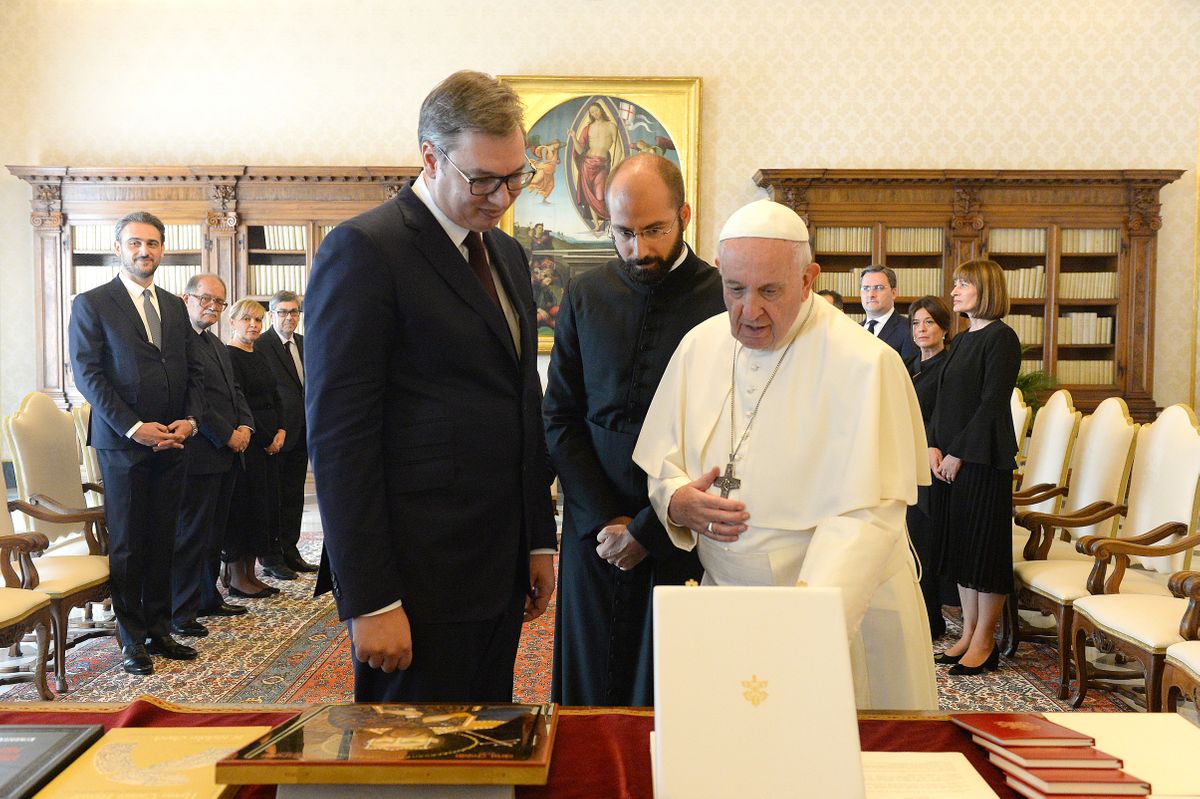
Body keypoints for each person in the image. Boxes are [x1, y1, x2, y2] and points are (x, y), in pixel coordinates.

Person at [304, 70, 558, 703]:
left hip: (496, 564)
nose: (503, 198)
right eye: (483, 180)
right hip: (415, 578)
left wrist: (536, 537)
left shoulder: (507, 256)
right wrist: (372, 598)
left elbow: (522, 402)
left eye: (516, 176)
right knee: (408, 764)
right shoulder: (365, 250)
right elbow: (341, 438)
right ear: (429, 157)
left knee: (485, 746)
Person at [632, 198, 937, 711]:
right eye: (734, 289)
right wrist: (676, 503)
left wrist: (802, 627)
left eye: (770, 290)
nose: (749, 311)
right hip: (724, 601)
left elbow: (868, 517)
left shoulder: (867, 364)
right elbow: (663, 463)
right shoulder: (698, 346)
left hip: (832, 610)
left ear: (807, 279)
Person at [544, 153, 724, 706]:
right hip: (594, 529)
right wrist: (606, 521)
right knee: (588, 687)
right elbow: (561, 416)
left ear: (685, 215)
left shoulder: (721, 298)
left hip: (679, 529)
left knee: (668, 690)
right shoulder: (585, 292)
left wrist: (646, 529)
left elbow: (728, 435)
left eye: (654, 231)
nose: (638, 250)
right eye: (623, 233)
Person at [67, 211, 205, 675]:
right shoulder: (92, 303)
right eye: (135, 243)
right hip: (122, 443)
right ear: (119, 247)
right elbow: (90, 375)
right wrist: (133, 427)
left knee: (165, 537)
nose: (144, 251)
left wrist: (189, 420)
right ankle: (131, 639)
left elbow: (195, 371)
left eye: (152, 243)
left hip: (173, 441)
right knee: (128, 543)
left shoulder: (172, 305)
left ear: (162, 249)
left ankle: (159, 629)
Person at [928, 260, 1021, 676]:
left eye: (962, 284)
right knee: (964, 552)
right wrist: (933, 444)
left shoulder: (1002, 339)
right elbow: (942, 399)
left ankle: (986, 640)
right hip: (951, 462)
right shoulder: (964, 340)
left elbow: (991, 404)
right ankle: (967, 633)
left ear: (985, 288)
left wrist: (958, 453)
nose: (954, 291)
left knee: (985, 554)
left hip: (982, 461)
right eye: (954, 285)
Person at [172, 274, 253, 637]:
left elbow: (235, 391)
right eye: (205, 299)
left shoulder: (217, 344)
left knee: (214, 534)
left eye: (219, 302)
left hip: (227, 455)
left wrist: (247, 427)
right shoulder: (180, 342)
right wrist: (226, 435)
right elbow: (195, 399)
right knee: (192, 537)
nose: (213, 307)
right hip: (201, 454)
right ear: (185, 298)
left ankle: (208, 598)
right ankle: (182, 611)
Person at [222, 299, 286, 599]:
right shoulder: (228, 356)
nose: (254, 325)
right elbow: (240, 404)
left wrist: (282, 429)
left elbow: (275, 395)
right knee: (243, 511)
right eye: (247, 319)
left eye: (259, 320)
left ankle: (251, 574)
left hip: (269, 444)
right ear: (232, 321)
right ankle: (238, 578)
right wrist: (265, 437)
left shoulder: (259, 354)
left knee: (262, 509)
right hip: (249, 445)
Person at [904, 295, 955, 638]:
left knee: (924, 542)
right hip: (906, 460)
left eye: (929, 323)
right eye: (916, 323)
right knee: (908, 543)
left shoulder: (947, 367)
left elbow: (942, 417)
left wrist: (927, 445)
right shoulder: (910, 365)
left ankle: (931, 620)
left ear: (944, 328)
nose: (922, 329)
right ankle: (915, 615)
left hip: (931, 464)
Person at [257, 290, 317, 577]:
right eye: (283, 312)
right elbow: (264, 393)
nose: (289, 317)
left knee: (295, 495)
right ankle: (271, 557)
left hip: (303, 430)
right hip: (275, 434)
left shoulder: (305, 344)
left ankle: (291, 551)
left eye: (294, 312)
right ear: (272, 315)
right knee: (273, 497)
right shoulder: (260, 344)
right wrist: (273, 430)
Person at [569, 102, 622, 230]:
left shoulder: (611, 126)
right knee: (589, 195)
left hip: (602, 164)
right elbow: (580, 151)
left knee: (600, 195)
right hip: (587, 163)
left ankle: (609, 220)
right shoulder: (588, 128)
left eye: (596, 110)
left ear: (601, 110)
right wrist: (574, 137)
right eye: (592, 112)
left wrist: (614, 167)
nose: (595, 114)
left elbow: (619, 149)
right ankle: (597, 225)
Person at [860, 265, 919, 361]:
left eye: (879, 288)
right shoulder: (855, 330)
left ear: (893, 293)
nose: (871, 295)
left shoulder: (909, 329)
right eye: (866, 288)